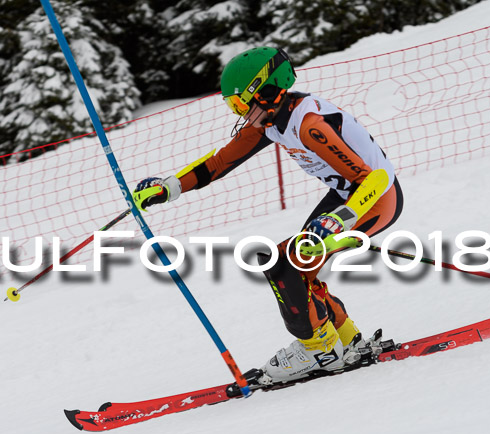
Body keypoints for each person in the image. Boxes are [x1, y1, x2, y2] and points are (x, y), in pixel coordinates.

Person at [132, 47, 403, 385]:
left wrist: (339, 220)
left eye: (242, 105)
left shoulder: (308, 125)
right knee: (298, 268)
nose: (242, 115)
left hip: (374, 200)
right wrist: (169, 186)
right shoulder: (271, 120)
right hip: (346, 196)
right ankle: (347, 342)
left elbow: (374, 179)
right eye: (235, 107)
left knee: (284, 264)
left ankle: (319, 350)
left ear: (268, 91)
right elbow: (217, 163)